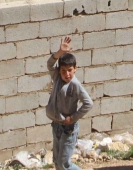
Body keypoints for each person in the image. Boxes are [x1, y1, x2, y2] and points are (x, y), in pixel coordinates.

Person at [46, 37, 92, 170]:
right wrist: (60, 52)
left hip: (68, 129)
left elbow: (88, 103)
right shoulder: (57, 78)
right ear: (59, 71)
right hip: (57, 126)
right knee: (56, 162)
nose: (67, 74)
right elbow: (50, 64)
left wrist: (72, 118)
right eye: (63, 71)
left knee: (64, 164)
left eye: (70, 70)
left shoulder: (75, 85)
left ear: (75, 69)